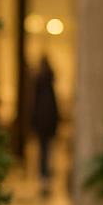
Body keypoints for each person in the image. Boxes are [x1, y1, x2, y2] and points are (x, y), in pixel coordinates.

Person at [30, 55, 59, 196]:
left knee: (44, 151)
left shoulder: (40, 84)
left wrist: (34, 122)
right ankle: (45, 176)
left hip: (43, 123)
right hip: (48, 123)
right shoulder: (47, 84)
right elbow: (53, 106)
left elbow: (36, 106)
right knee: (46, 151)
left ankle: (44, 176)